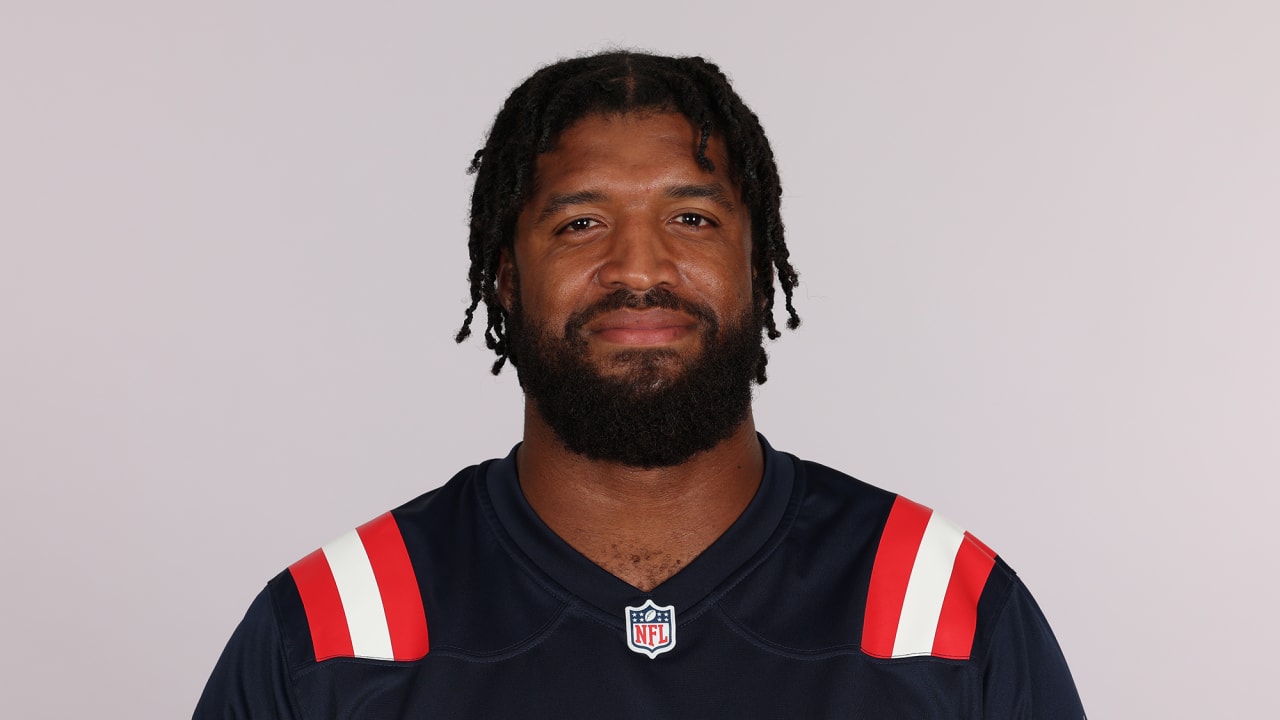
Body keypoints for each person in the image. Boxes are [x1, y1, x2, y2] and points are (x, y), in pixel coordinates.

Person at [195, 51, 1083, 718]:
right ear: (504, 276)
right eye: (581, 222)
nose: (639, 267)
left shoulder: (942, 606)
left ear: (757, 263)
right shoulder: (333, 628)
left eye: (691, 217)